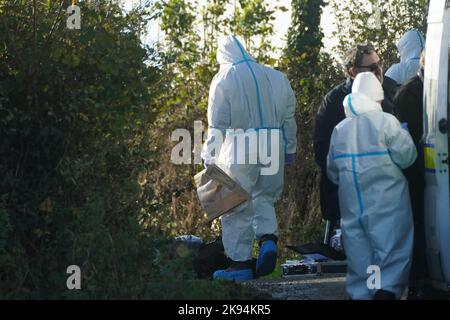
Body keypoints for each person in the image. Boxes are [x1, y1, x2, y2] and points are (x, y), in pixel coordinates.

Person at [201, 35, 297, 281]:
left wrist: (209, 156)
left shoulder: (224, 78)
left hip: (240, 143)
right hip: (274, 143)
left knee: (235, 205)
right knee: (264, 196)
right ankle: (268, 240)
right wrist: (289, 150)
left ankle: (239, 265)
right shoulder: (276, 76)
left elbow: (218, 124)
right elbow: (289, 119)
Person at [327, 72, 417, 300]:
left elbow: (332, 172)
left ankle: (366, 291)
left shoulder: (340, 130)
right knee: (392, 246)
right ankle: (385, 291)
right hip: (387, 202)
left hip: (352, 206)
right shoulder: (387, 122)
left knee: (361, 252)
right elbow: (407, 157)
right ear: (377, 97)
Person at [314, 44, 396, 231]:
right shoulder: (333, 102)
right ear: (353, 71)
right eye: (372, 67)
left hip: (387, 189)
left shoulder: (392, 90)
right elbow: (322, 151)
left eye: (379, 64)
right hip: (349, 193)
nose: (379, 71)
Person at [393, 50, 428, 298]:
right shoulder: (407, 94)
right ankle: (418, 278)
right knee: (418, 222)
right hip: (416, 171)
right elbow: (409, 140)